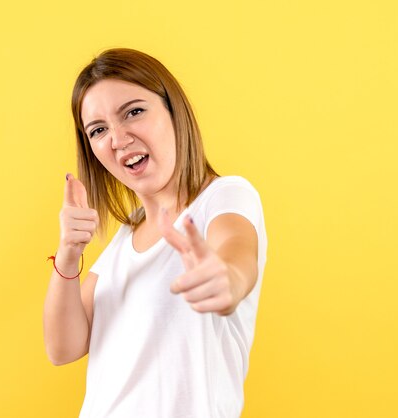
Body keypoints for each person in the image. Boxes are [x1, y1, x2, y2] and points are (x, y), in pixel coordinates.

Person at [43, 48, 267, 417]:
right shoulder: (123, 240)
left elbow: (236, 254)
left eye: (133, 111)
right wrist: (68, 253)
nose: (117, 138)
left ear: (173, 111)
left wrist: (226, 279)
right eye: (98, 130)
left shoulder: (225, 197)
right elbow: (62, 348)